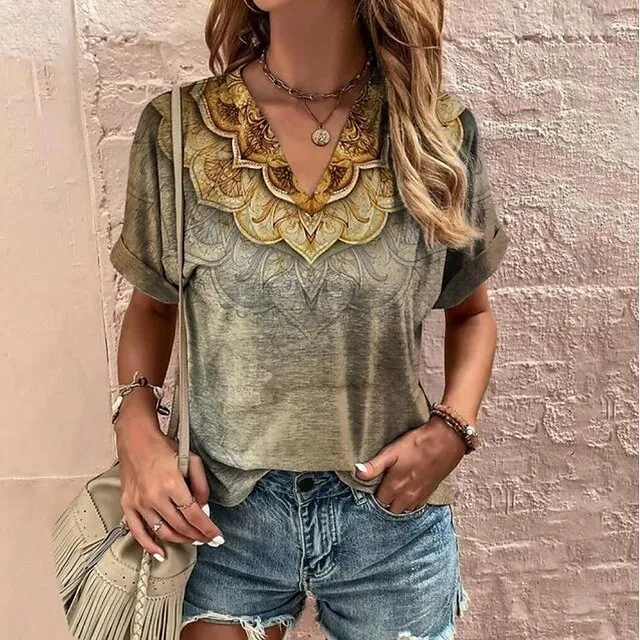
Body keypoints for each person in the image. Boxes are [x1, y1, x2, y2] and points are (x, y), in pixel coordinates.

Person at [109, 0, 509, 638]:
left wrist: (451, 432)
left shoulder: (436, 133)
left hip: (390, 519)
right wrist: (135, 429)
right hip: (220, 515)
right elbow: (153, 307)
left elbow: (472, 313)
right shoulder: (178, 131)